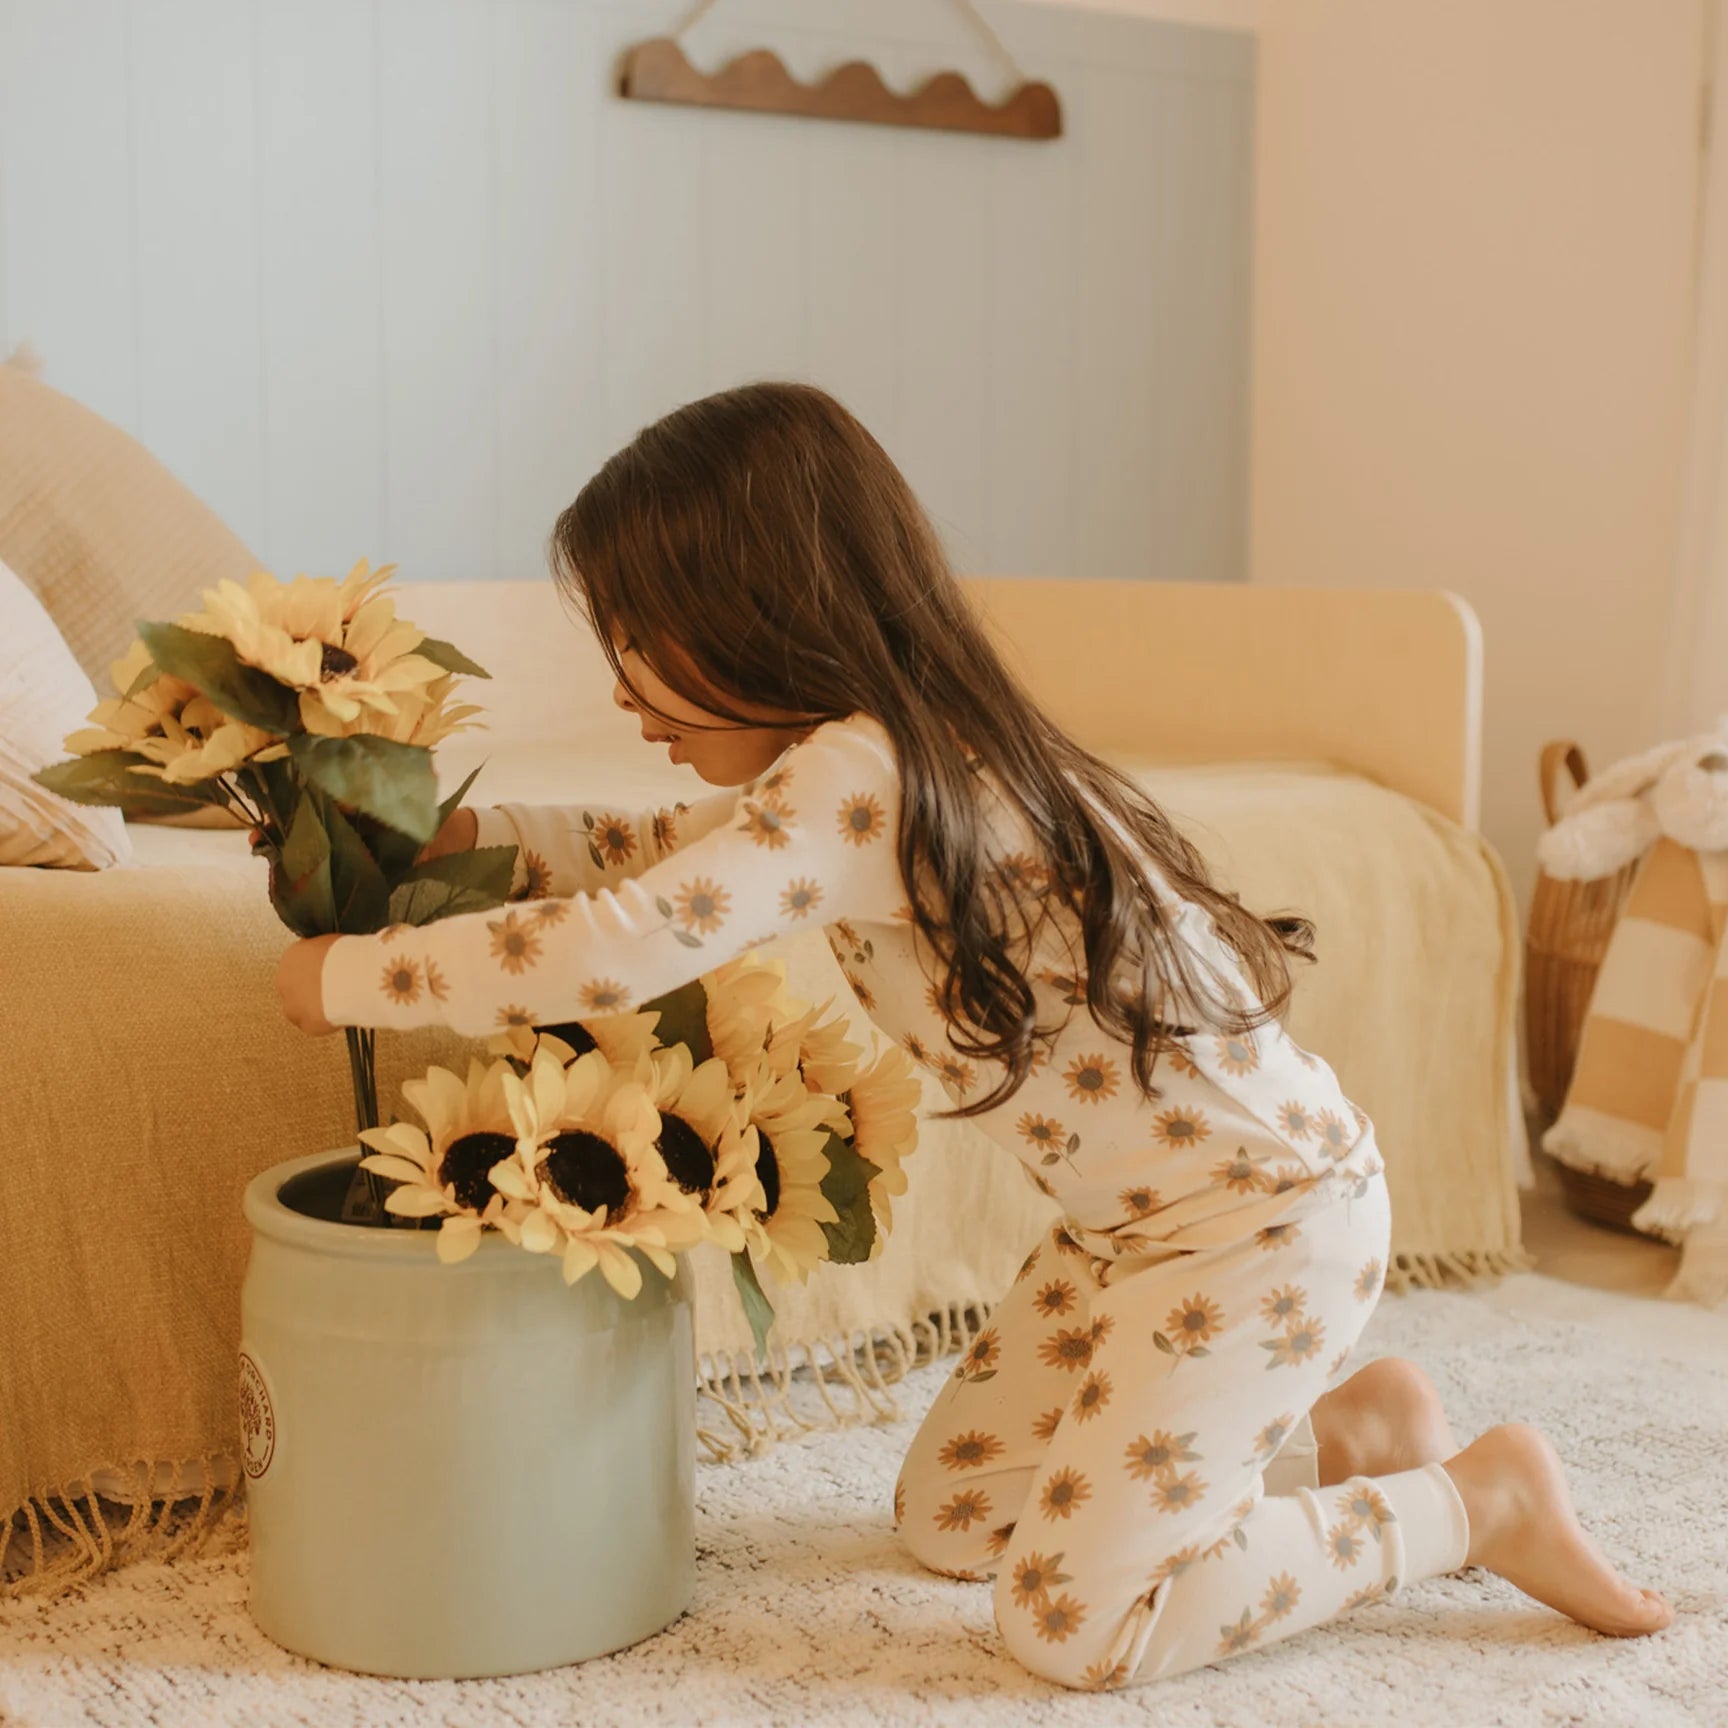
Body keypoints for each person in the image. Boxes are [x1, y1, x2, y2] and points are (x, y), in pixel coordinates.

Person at [276, 381, 1672, 1689]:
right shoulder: (875, 757)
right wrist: (490, 838)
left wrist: (358, 973)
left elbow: (624, 940)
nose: (628, 701)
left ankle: (1471, 1502)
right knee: (955, 1519)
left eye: (641, 655)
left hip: (1261, 1230)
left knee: (1077, 1625)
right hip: (1135, 1237)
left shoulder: (866, 773)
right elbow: (666, 859)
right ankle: (1350, 1437)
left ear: (752, 612)